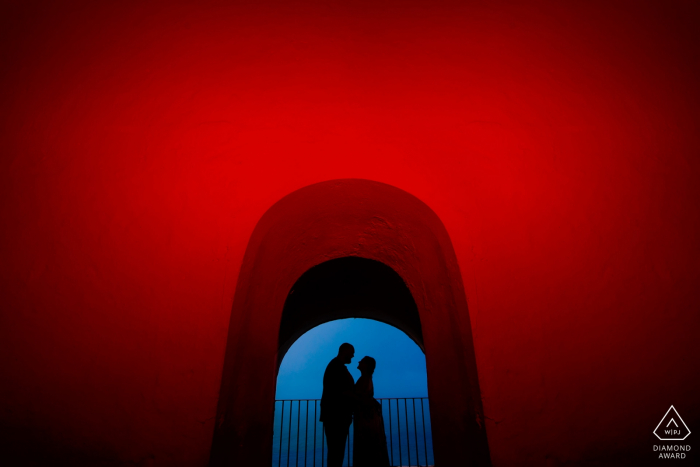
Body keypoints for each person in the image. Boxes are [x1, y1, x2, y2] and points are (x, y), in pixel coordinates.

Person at [320, 343, 356, 467]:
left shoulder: (336, 366)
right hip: (336, 417)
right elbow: (342, 391)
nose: (353, 355)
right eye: (351, 352)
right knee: (337, 451)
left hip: (335, 416)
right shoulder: (337, 367)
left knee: (335, 451)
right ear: (344, 352)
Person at [353, 356, 390, 467]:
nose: (359, 361)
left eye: (362, 361)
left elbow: (359, 397)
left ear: (367, 365)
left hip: (365, 418)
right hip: (368, 416)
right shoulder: (366, 378)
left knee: (365, 445)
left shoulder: (364, 379)